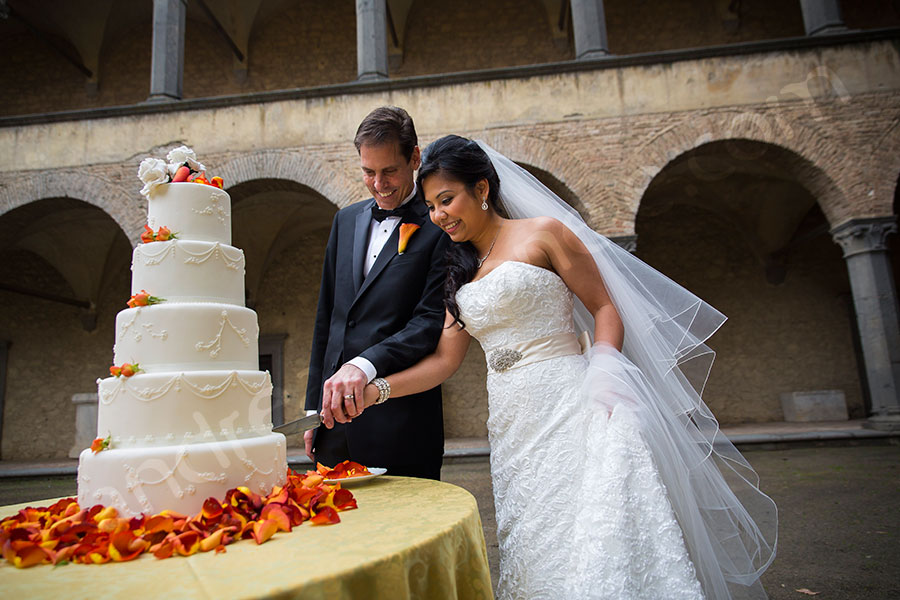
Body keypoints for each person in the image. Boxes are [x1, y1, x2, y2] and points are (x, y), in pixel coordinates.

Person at [321, 135, 778, 599]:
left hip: (573, 399)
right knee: (537, 538)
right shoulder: (456, 268)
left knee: (597, 532)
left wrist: (604, 371)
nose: (439, 215)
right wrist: (375, 390)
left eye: (447, 200)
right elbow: (443, 360)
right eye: (432, 206)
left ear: (481, 189)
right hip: (511, 421)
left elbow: (605, 307)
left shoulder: (545, 233)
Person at [304, 107, 450, 480]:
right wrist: (311, 410)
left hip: (402, 426)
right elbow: (329, 319)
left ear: (415, 158)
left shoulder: (441, 228)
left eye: (389, 171)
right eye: (369, 172)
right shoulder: (345, 220)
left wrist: (364, 365)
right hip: (333, 425)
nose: (379, 184)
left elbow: (429, 322)